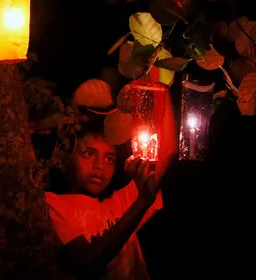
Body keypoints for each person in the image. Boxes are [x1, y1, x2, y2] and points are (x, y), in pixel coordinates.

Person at [44, 91, 177, 279]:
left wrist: (161, 80)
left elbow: (166, 152)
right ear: (66, 158)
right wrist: (141, 203)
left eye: (109, 158)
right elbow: (85, 262)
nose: (100, 167)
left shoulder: (116, 205)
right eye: (89, 154)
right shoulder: (52, 204)